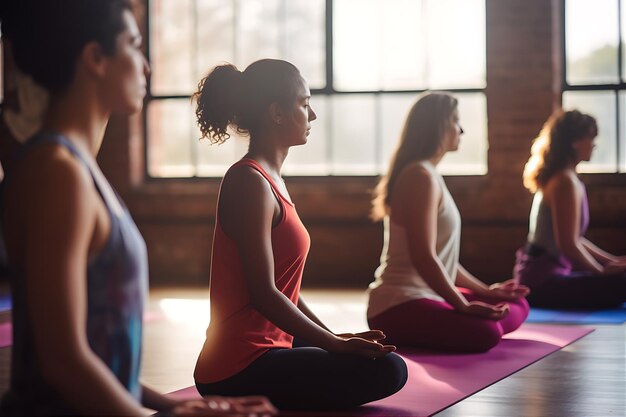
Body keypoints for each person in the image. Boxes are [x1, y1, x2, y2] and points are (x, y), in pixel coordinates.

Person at [0, 1, 276, 415]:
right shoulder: (58, 174)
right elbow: (62, 362)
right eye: (134, 45)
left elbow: (99, 354)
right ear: (95, 58)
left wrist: (181, 408)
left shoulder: (76, 169)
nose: (146, 67)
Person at [192, 59, 408, 411]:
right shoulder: (248, 182)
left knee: (377, 359)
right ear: (276, 112)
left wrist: (336, 337)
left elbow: (285, 290)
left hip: (273, 346)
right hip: (237, 367)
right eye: (304, 104)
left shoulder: (269, 179)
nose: (313, 115)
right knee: (389, 369)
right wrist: (334, 346)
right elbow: (264, 293)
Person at [367, 92, 530, 353]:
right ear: (438, 127)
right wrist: (463, 306)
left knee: (515, 304)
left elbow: (444, 262)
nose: (461, 129)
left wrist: (487, 292)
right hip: (397, 305)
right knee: (486, 331)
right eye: (455, 121)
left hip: (428, 295)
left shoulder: (429, 173)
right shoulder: (419, 176)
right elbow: (425, 257)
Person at [514, 109, 626, 309]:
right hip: (543, 282)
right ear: (575, 142)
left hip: (541, 278)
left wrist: (611, 261)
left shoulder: (563, 177)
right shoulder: (564, 181)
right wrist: (600, 272)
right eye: (590, 138)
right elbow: (568, 244)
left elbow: (573, 238)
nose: (594, 144)